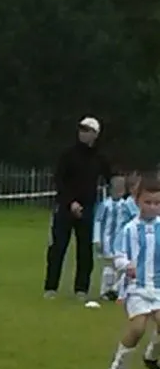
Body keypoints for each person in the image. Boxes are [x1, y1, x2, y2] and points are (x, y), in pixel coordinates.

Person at [45, 116, 112, 299]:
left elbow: (110, 179)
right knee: (58, 248)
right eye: (81, 129)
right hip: (65, 208)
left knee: (85, 251)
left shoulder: (100, 158)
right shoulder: (68, 155)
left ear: (95, 134)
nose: (83, 133)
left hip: (88, 209)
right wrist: (70, 202)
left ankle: (81, 289)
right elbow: (59, 180)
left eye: (87, 130)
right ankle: (51, 287)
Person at [106, 176, 160, 369]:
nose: (153, 207)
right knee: (138, 328)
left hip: (158, 286)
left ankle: (152, 357)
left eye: (157, 203)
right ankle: (118, 368)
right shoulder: (129, 229)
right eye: (148, 202)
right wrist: (126, 265)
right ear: (137, 201)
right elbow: (118, 255)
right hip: (136, 287)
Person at [93, 174, 137, 302]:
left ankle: (117, 290)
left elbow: (134, 219)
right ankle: (106, 291)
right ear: (111, 189)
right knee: (109, 267)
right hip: (107, 241)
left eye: (121, 188)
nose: (119, 191)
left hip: (121, 242)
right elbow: (98, 221)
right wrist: (97, 239)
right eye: (117, 188)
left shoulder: (126, 205)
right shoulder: (105, 205)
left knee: (122, 267)